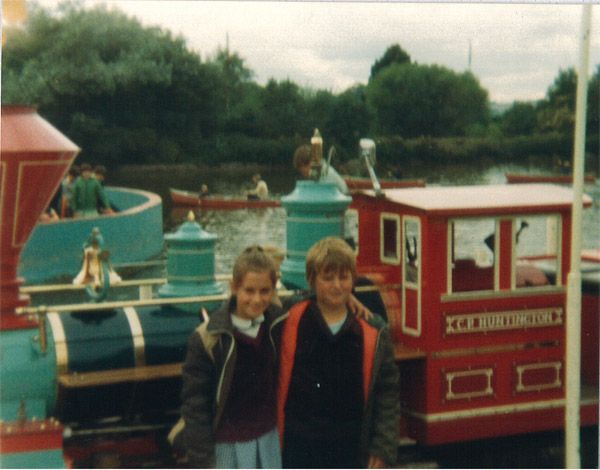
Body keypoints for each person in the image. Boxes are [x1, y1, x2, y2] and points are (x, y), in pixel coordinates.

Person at [278, 236, 399, 469]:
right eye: (328, 277)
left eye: (344, 277)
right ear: (312, 280)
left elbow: (387, 395)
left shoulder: (373, 331)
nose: (337, 285)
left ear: (353, 279)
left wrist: (383, 448)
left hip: (349, 448)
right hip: (299, 446)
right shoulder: (290, 317)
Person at [177, 246, 285, 468]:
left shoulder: (277, 322)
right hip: (228, 444)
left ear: (274, 290)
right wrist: (204, 461)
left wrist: (352, 299)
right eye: (249, 290)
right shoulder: (208, 339)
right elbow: (195, 406)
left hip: (269, 439)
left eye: (265, 291)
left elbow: (312, 300)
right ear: (234, 287)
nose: (256, 299)